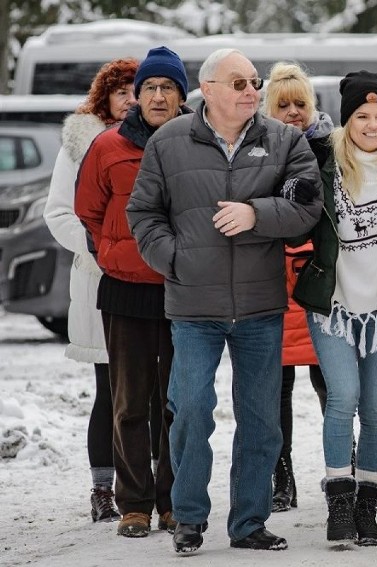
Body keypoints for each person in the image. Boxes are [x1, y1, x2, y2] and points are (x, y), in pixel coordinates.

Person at [126, 48, 322, 554]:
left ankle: (250, 522)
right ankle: (188, 518)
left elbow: (307, 207)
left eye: (254, 82)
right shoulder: (169, 142)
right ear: (207, 89)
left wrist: (257, 214)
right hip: (193, 307)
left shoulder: (284, 140)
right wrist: (176, 260)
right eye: (238, 83)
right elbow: (143, 213)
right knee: (190, 409)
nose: (251, 91)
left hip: (260, 306)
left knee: (260, 417)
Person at [290, 70, 377, 547]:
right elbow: (295, 219)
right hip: (334, 304)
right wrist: (293, 198)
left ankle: (368, 504)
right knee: (343, 399)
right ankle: (339, 504)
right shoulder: (322, 166)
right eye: (362, 116)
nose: (373, 125)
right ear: (347, 121)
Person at [75, 46, 191, 539]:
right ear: (137, 96)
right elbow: (89, 211)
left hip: (183, 291)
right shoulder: (107, 146)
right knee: (128, 404)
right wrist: (113, 254)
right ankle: (135, 503)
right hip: (124, 292)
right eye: (150, 87)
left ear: (182, 95)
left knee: (177, 403)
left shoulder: (197, 141)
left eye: (168, 87)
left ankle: (170, 500)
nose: (158, 96)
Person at [44, 57, 138, 524]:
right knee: (109, 389)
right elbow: (59, 213)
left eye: (137, 91)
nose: (131, 100)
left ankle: (144, 484)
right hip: (99, 279)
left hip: (151, 281)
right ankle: (103, 488)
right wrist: (105, 246)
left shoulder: (161, 139)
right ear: (105, 97)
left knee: (152, 391)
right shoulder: (80, 146)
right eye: (121, 92)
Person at [263, 61, 335, 513]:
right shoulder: (257, 150)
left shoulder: (332, 148)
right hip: (272, 280)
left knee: (332, 384)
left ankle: (340, 469)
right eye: (283, 104)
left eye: (300, 104)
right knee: (276, 390)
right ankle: (281, 474)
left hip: (321, 277)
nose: (293, 112)